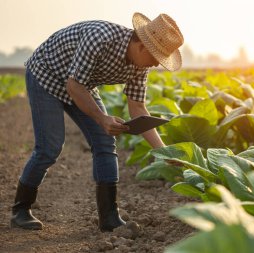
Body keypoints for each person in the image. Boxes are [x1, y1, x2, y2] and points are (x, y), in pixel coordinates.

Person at [10, 12, 184, 232]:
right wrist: (102, 118)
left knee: (105, 142)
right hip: (47, 75)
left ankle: (109, 217)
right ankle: (20, 210)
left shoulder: (142, 65)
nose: (156, 64)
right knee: (49, 148)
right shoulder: (100, 37)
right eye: (155, 58)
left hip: (82, 84)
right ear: (142, 46)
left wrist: (165, 153)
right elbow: (74, 86)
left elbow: (138, 108)